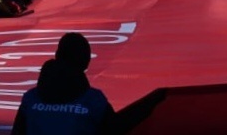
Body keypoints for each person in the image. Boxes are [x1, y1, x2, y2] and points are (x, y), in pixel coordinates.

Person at [11, 33, 163, 135]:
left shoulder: (30, 100)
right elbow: (117, 128)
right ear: (85, 63)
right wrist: (154, 102)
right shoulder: (94, 102)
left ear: (57, 56)